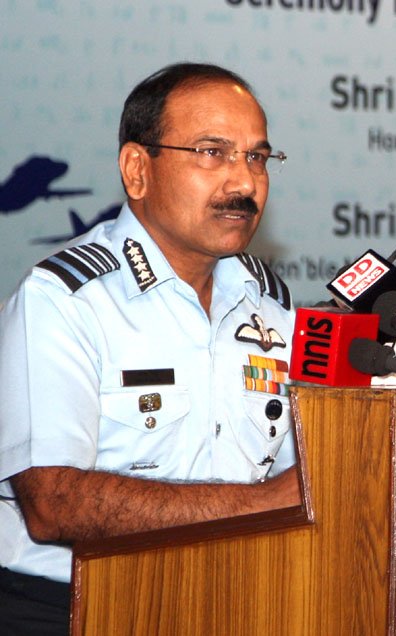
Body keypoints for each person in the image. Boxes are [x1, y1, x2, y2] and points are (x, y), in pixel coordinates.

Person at [0, 62, 300, 635]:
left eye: (257, 158)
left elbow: (301, 474)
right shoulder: (63, 302)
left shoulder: (272, 306)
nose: (244, 183)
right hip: (69, 610)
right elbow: (53, 502)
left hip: (234, 601)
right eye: (213, 153)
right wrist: (266, 503)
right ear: (138, 169)